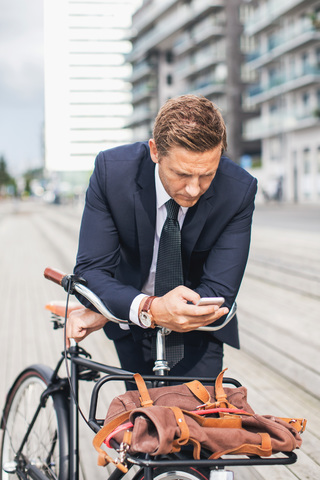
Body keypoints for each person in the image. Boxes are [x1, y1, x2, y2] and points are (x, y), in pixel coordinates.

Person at [67, 94, 257, 380]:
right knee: (142, 420)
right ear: (155, 151)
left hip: (198, 329)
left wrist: (150, 312)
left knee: (195, 422)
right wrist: (149, 309)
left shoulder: (238, 190)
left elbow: (220, 290)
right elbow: (91, 270)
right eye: (181, 174)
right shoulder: (112, 173)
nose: (194, 189)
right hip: (129, 317)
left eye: (207, 175)